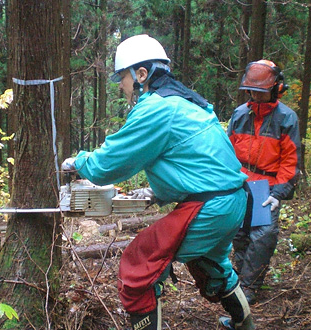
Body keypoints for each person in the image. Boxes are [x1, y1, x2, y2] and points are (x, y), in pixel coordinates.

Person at [62, 34, 255, 330]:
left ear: (141, 74)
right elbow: (197, 163)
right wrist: (156, 192)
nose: (121, 87)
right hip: (233, 200)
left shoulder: (157, 108)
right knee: (212, 263)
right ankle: (244, 323)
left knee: (140, 263)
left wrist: (79, 162)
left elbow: (111, 163)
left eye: (122, 78)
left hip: (211, 206)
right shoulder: (189, 102)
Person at [226, 60, 301, 306]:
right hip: (240, 183)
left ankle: (248, 287)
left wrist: (279, 192)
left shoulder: (286, 119)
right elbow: (226, 152)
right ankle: (238, 278)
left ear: (276, 88)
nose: (256, 97)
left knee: (262, 238)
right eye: (253, 91)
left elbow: (291, 161)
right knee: (239, 235)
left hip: (267, 186)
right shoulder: (240, 114)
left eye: (261, 91)